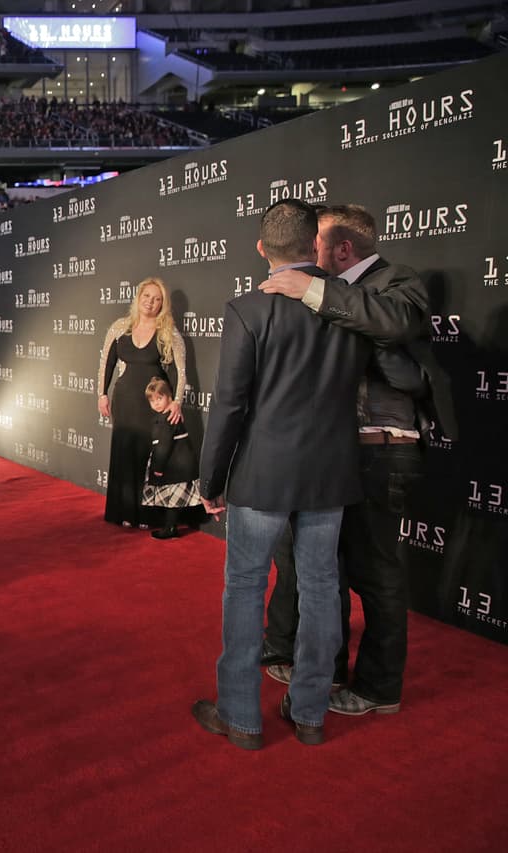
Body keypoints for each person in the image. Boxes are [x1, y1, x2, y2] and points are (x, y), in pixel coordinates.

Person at [257, 203, 456, 718]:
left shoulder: (397, 281)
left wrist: (312, 291)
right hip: (331, 454)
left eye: (316, 243)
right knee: (324, 572)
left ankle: (378, 688)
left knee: (377, 574)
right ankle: (327, 670)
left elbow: (395, 325)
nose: (307, 252)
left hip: (381, 453)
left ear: (342, 249)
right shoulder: (324, 294)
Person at [193, 199, 378, 750]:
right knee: (323, 589)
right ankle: (311, 714)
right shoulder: (349, 304)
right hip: (329, 473)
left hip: (262, 476)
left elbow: (228, 405)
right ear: (314, 245)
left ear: (261, 250)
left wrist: (210, 480)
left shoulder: (249, 309)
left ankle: (242, 718)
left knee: (246, 589)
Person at [97, 277, 187, 528]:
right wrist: (101, 394)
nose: (151, 302)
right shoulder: (119, 327)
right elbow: (107, 363)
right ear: (138, 298)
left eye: (157, 299)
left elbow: (179, 371)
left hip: (151, 405)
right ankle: (123, 512)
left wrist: (176, 401)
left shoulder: (167, 332)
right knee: (123, 453)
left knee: (147, 457)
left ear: (162, 305)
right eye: (147, 296)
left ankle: (146, 515)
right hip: (123, 400)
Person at [141, 378, 203, 540]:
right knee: (171, 500)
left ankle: (170, 528)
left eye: (159, 398)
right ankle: (170, 527)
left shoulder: (168, 418)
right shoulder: (166, 416)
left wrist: (158, 469)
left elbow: (163, 446)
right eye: (152, 400)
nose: (156, 403)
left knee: (172, 500)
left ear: (169, 396)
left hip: (176, 467)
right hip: (178, 466)